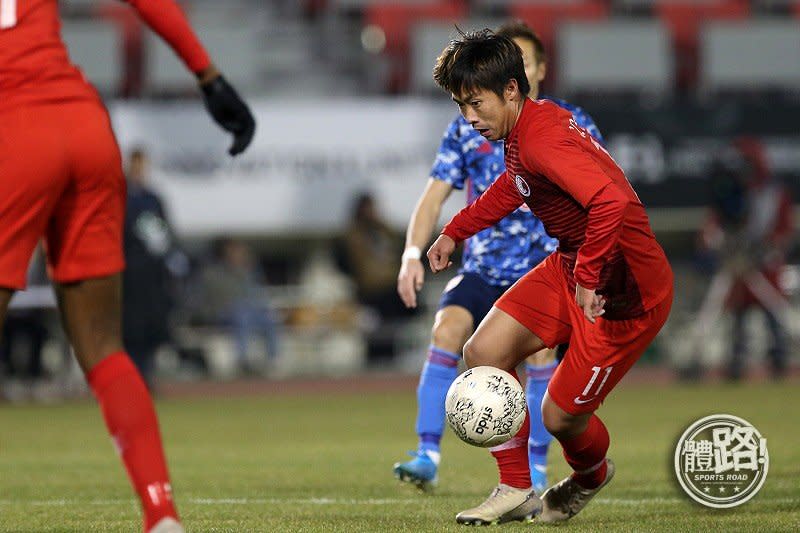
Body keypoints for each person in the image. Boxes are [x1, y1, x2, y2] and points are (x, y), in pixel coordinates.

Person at [0, 2, 255, 532]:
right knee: (102, 349)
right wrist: (209, 78)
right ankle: (161, 514)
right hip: (82, 122)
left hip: (12, 131)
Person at [426, 29, 673, 525]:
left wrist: (588, 275)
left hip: (624, 295)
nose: (469, 118)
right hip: (575, 266)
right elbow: (511, 188)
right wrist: (455, 231)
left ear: (512, 90)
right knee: (483, 353)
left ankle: (590, 477)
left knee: (560, 417)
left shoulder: (539, 138)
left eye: (475, 103)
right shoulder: (527, 128)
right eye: (460, 106)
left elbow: (612, 201)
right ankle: (516, 488)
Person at [393, 21, 603, 495]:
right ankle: (427, 453)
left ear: (534, 73)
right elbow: (432, 198)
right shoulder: (468, 128)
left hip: (543, 268)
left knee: (541, 353)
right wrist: (412, 253)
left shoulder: (568, 122)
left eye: (526, 62)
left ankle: (536, 469)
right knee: (446, 330)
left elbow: (601, 195)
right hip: (484, 268)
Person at [697, 138, 793, 380]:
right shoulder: (731, 191)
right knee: (738, 315)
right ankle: (736, 361)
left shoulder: (774, 194)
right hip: (738, 264)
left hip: (765, 264)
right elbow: (716, 223)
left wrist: (768, 249)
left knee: (774, 314)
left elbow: (783, 229)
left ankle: (779, 358)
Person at [123, 148, 188, 387]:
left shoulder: (154, 199)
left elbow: (166, 232)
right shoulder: (120, 198)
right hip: (129, 273)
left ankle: (146, 374)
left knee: (152, 326)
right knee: (130, 328)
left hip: (152, 275)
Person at [342, 192, 415, 364]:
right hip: (369, 292)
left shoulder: (383, 232)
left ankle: (391, 362)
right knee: (373, 334)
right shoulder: (353, 235)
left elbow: (400, 248)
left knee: (392, 333)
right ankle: (374, 366)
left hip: (390, 291)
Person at [195, 237, 280, 373]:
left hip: (246, 313)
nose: (240, 255)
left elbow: (256, 295)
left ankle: (273, 359)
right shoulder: (211, 272)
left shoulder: (247, 273)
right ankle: (242, 360)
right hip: (222, 314)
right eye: (236, 252)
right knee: (241, 315)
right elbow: (206, 299)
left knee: (269, 318)